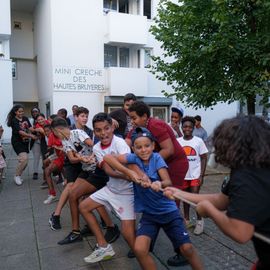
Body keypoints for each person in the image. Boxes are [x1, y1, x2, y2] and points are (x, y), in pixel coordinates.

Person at [164, 115, 270, 270]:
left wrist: (208, 210)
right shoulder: (255, 167)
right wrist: (179, 193)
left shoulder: (245, 176)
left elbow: (241, 232)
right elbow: (221, 200)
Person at [103, 127, 203, 270]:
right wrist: (129, 173)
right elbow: (108, 158)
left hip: (169, 213)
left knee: (187, 249)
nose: (143, 150)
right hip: (150, 215)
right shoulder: (133, 158)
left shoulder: (156, 158)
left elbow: (167, 182)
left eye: (147, 146)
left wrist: (158, 183)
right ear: (133, 149)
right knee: (139, 249)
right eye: (139, 147)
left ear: (153, 146)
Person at [126, 101, 189, 266]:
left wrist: (148, 168)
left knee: (170, 204)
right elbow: (128, 141)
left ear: (144, 116)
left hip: (175, 165)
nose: (132, 121)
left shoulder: (157, 125)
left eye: (134, 118)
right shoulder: (140, 127)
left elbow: (169, 150)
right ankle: (147, 242)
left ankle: (182, 250)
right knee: (152, 200)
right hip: (158, 163)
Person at [50, 117, 119, 245]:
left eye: (53, 132)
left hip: (96, 169)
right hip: (86, 168)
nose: (54, 135)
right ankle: (83, 230)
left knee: (81, 196)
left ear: (58, 130)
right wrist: (82, 159)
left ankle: (83, 231)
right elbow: (71, 159)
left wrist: (91, 157)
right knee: (75, 195)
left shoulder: (78, 133)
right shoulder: (65, 140)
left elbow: (95, 145)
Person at [79, 113, 135, 263]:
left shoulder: (120, 143)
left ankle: (142, 254)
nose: (103, 133)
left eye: (106, 128)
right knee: (84, 207)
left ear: (112, 128)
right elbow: (109, 171)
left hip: (127, 192)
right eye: (98, 130)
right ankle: (104, 247)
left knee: (128, 235)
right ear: (94, 132)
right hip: (110, 189)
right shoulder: (97, 148)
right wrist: (128, 175)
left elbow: (128, 165)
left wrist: (131, 175)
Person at [177, 116, 208, 235]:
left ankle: (200, 221)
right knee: (185, 199)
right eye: (185, 126)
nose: (187, 129)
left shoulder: (198, 141)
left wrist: (201, 176)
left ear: (193, 128)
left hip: (195, 175)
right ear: (182, 127)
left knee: (195, 198)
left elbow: (204, 158)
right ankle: (187, 220)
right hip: (183, 176)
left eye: (190, 127)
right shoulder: (178, 141)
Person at [6, 104, 37, 185]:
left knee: (25, 162)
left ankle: (18, 175)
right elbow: (20, 131)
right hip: (17, 142)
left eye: (22, 111)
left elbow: (30, 128)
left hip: (25, 142)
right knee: (24, 159)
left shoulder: (25, 118)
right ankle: (16, 176)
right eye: (19, 111)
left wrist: (38, 129)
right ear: (15, 112)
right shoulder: (14, 120)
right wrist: (31, 135)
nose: (21, 113)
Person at [30, 107, 41, 180]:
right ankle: (35, 172)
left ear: (39, 112)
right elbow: (29, 130)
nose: (35, 113)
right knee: (36, 157)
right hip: (35, 142)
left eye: (36, 111)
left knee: (45, 157)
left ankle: (47, 171)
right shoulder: (30, 121)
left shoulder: (42, 119)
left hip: (43, 142)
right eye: (33, 112)